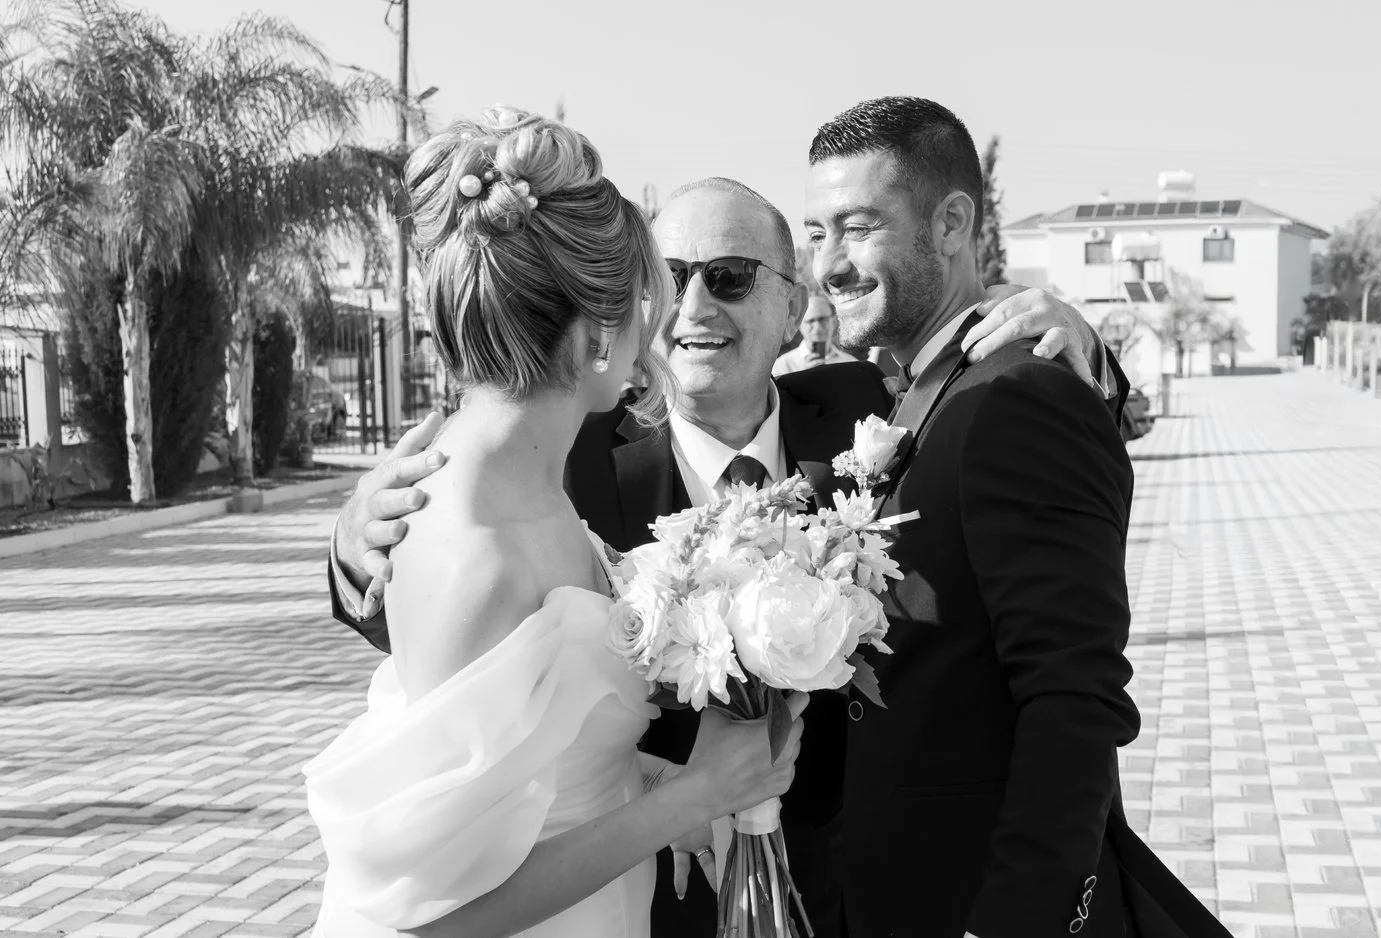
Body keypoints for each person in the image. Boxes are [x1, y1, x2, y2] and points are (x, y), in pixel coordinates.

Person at [323, 170, 1125, 936]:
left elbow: (1018, 432)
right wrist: (356, 547)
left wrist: (1078, 346)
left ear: (792, 303)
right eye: (671, 278)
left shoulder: (875, 411)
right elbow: (457, 648)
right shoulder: (557, 451)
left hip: (857, 893)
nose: (693, 305)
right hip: (642, 901)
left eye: (732, 275)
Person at [302, 108, 811, 937]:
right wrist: (696, 792)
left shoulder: (533, 485)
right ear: (598, 334)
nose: (671, 323)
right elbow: (434, 920)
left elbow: (542, 765)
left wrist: (656, 786)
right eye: (656, 293)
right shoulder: (477, 544)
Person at [797, 96, 1226, 937]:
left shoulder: (1017, 396)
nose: (828, 265)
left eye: (855, 227)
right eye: (816, 234)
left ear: (952, 223)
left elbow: (1073, 700)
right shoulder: (921, 391)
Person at [772, 288, 852, 375]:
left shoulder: (851, 364)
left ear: (833, 322)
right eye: (810, 321)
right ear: (800, 326)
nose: (818, 328)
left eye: (822, 319)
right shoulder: (782, 367)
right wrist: (802, 378)